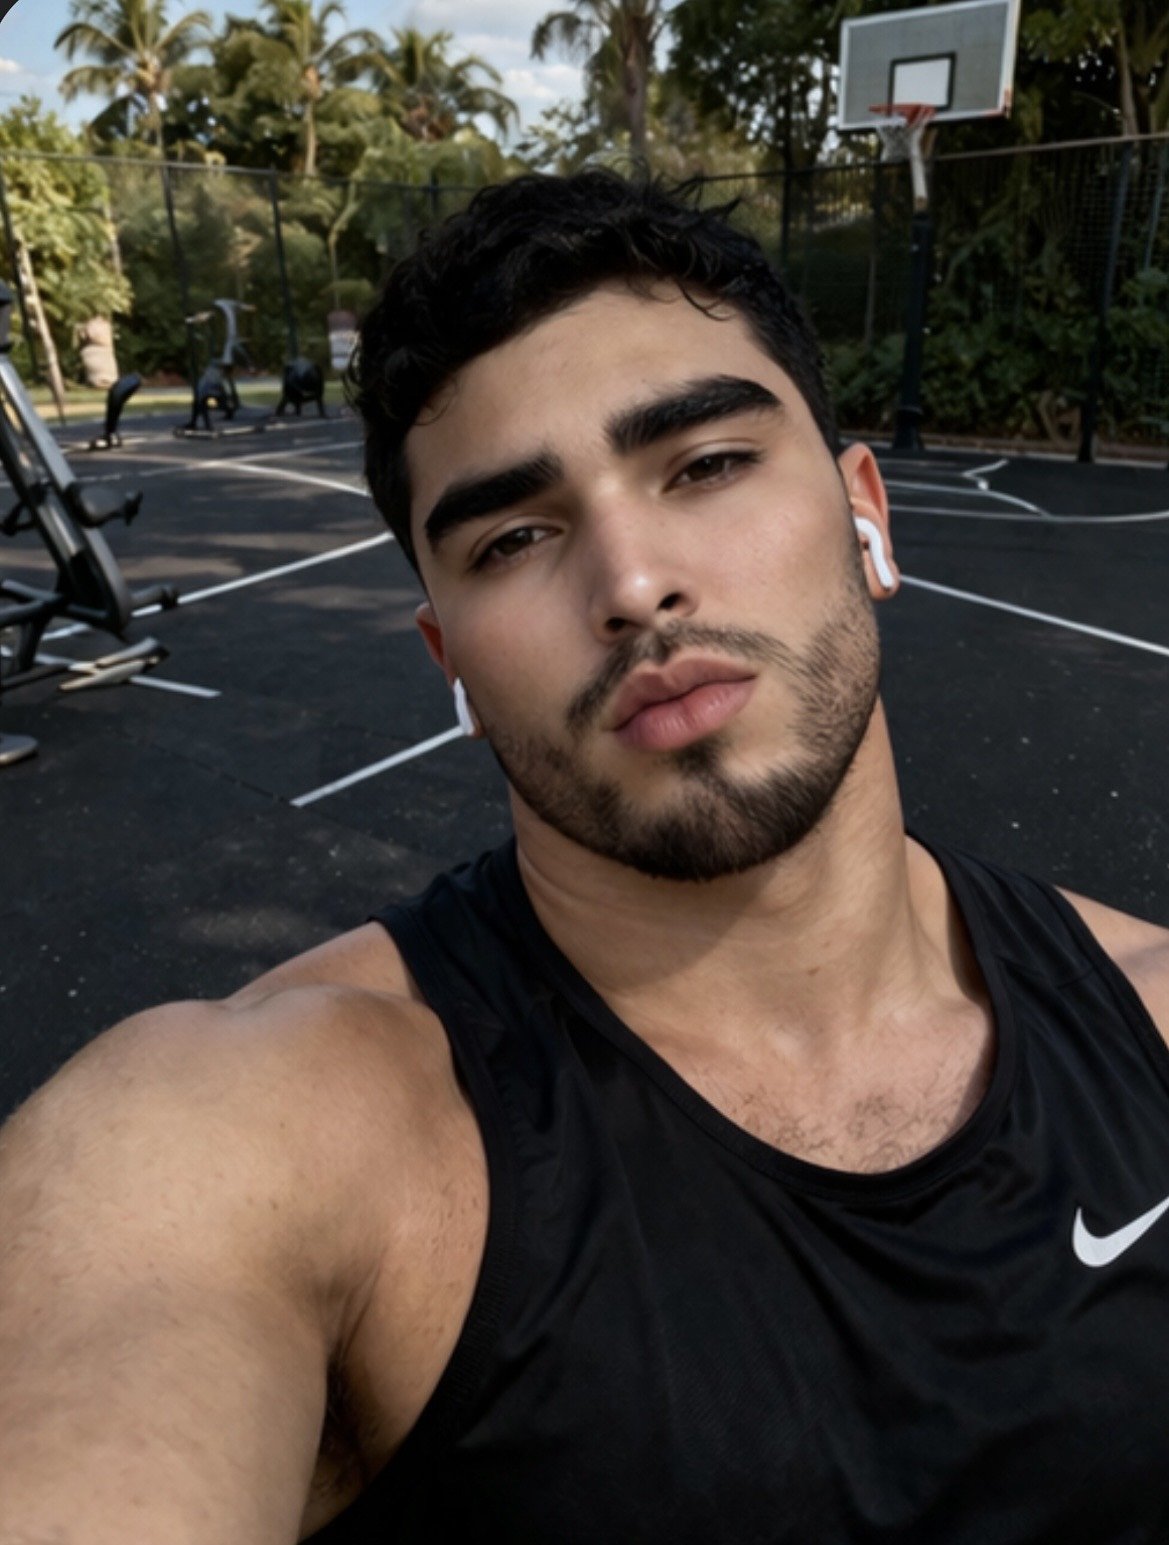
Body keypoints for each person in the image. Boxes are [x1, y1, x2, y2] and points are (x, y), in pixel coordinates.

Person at [2, 170, 1169, 1545]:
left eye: (707, 464)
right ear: (447, 659)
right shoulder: (247, 1133)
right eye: (512, 538)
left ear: (869, 517)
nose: (629, 584)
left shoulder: (1147, 1010)